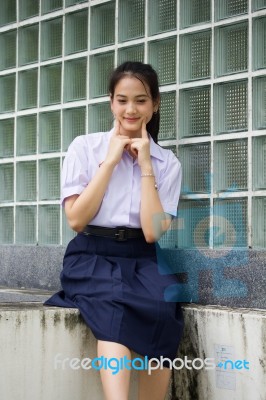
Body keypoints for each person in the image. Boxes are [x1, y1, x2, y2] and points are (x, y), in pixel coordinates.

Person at [44, 61, 184, 400]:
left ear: (155, 104)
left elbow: (153, 234)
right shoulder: (85, 148)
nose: (131, 109)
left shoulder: (168, 163)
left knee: (166, 312)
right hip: (91, 255)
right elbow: (77, 219)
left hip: (143, 257)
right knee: (112, 305)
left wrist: (147, 165)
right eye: (122, 100)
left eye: (140, 100)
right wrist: (109, 161)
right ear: (111, 102)